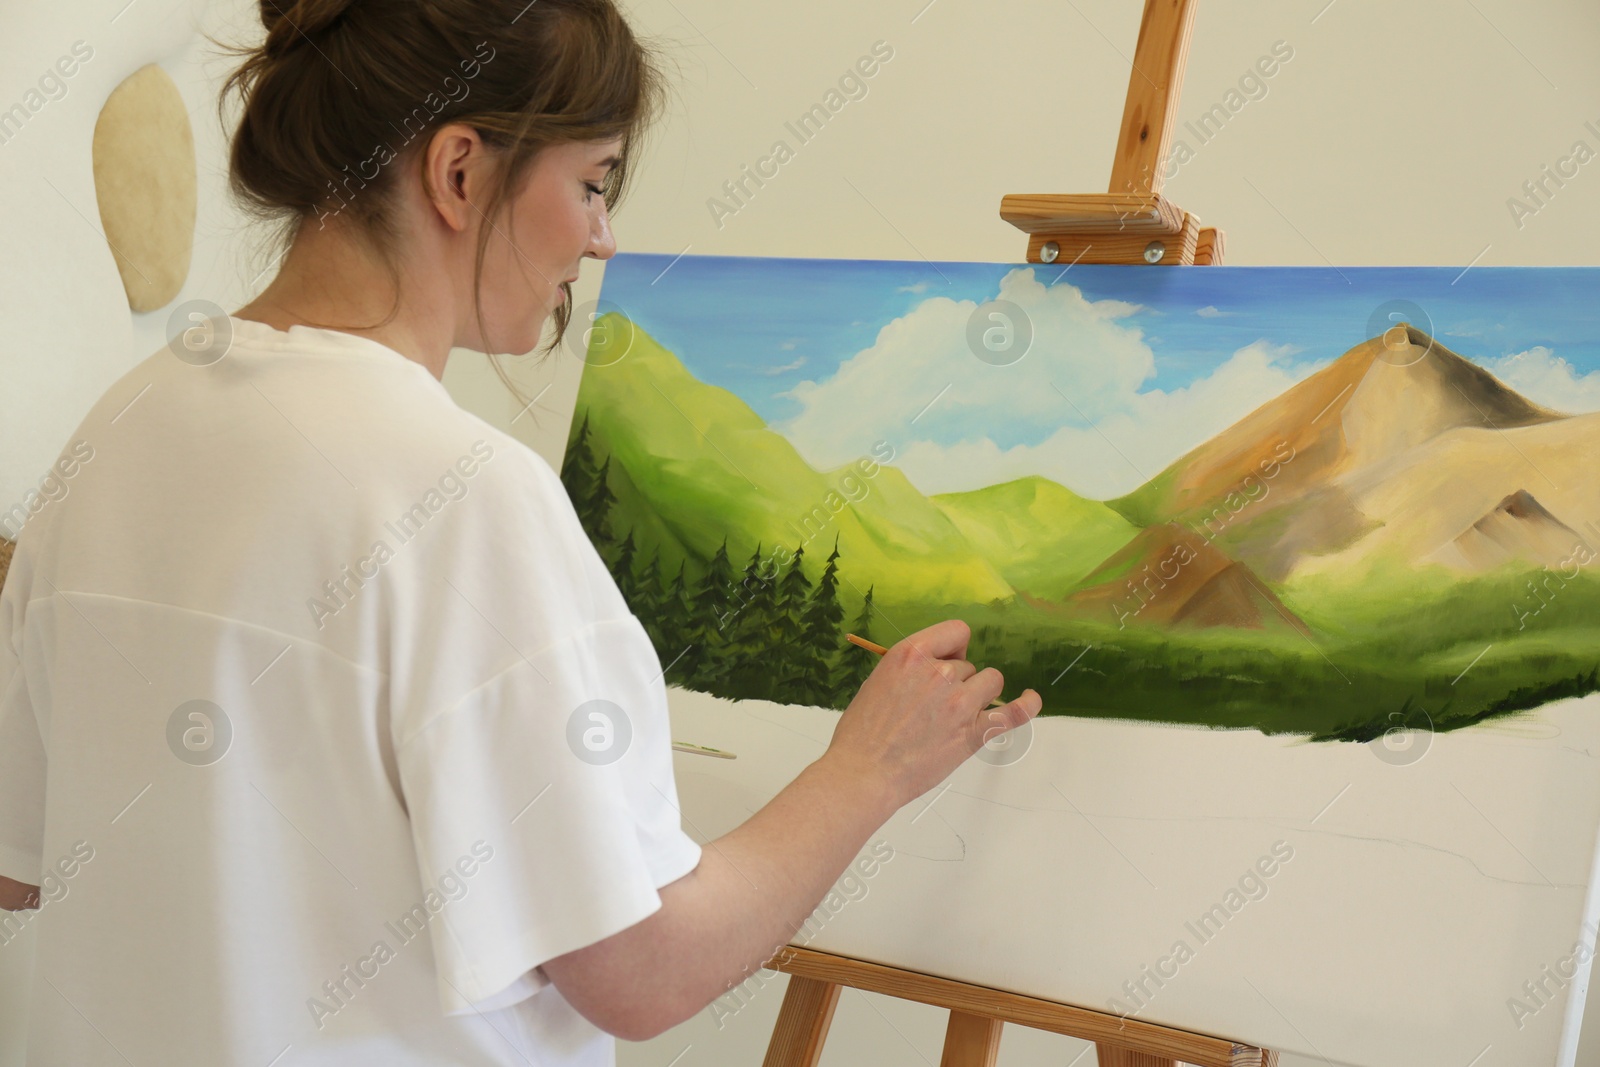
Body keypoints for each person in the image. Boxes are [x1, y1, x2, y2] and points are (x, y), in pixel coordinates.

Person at [0, 0, 1041, 1062]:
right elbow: (641, 968)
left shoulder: (120, 427)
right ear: (459, 171)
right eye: (592, 181)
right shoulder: (461, 496)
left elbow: (21, 862)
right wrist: (868, 768)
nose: (602, 236)